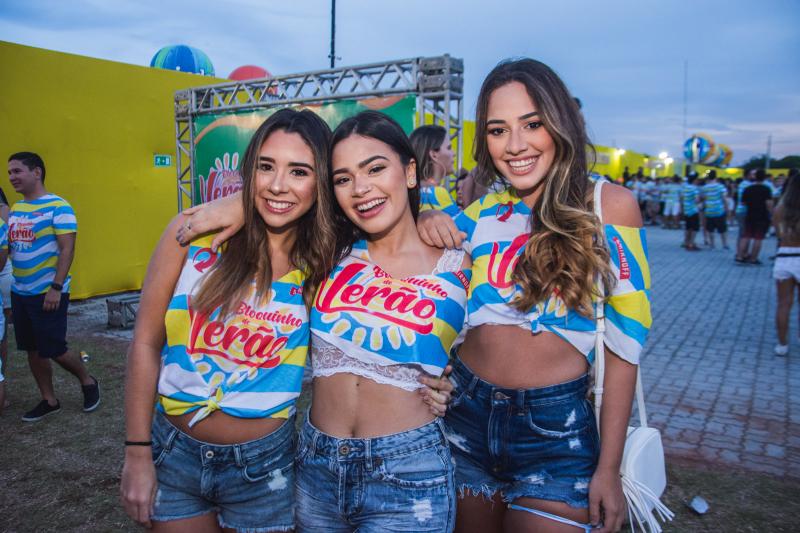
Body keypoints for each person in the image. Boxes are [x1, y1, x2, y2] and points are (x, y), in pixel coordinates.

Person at [418, 58, 649, 533]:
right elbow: (418, 268)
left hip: (557, 433)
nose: (515, 145)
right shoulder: (480, 212)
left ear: (560, 124)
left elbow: (625, 347)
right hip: (465, 418)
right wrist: (424, 219)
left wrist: (609, 468)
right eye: (498, 130)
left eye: (532, 124)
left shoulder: (610, 206)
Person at [121, 109, 338, 531]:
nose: (277, 185)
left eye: (299, 172)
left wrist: (427, 217)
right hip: (174, 455)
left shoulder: (324, 264)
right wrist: (136, 452)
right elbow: (145, 343)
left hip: (265, 468)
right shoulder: (192, 234)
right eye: (265, 167)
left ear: (322, 183)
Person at [295, 111, 470, 531]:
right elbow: (269, 204)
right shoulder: (326, 253)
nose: (361, 189)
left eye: (375, 168)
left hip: (409, 471)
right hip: (316, 470)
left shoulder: (461, 263)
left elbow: (493, 359)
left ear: (409, 172)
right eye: (343, 178)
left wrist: (455, 389)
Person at [6, 152, 98, 422]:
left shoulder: (59, 207)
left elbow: (67, 249)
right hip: (20, 291)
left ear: (37, 172)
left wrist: (56, 287)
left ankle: (88, 381)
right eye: (9, 172)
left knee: (55, 348)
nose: (11, 177)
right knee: (32, 349)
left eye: (17, 171)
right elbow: (14, 247)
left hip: (48, 292)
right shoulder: (16, 208)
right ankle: (49, 400)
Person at [772, 171, 800, 356]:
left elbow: (778, 233)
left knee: (783, 304)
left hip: (784, 256)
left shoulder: (780, 208)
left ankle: (782, 345)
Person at [410, 124, 460, 217]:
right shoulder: (438, 194)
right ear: (434, 155)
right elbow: (460, 225)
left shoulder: (409, 194)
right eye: (449, 148)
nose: (454, 153)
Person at [737, 169, 774, 264]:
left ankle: (740, 256)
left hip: (749, 214)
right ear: (764, 178)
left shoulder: (748, 188)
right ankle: (753, 258)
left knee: (746, 236)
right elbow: (769, 204)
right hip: (762, 215)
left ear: (754, 177)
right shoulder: (766, 189)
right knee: (758, 238)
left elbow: (743, 203)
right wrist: (771, 214)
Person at [701, 170, 730, 249]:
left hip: (709, 210)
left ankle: (712, 244)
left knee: (710, 229)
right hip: (719, 210)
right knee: (723, 229)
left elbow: (703, 198)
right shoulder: (720, 187)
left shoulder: (704, 187)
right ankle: (725, 244)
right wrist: (727, 209)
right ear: (716, 176)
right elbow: (724, 199)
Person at [681, 173, 701, 251]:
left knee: (688, 227)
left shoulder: (685, 188)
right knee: (694, 228)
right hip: (693, 210)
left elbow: (682, 198)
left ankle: (686, 242)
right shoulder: (694, 188)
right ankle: (691, 243)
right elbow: (697, 200)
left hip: (686, 209)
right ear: (694, 180)